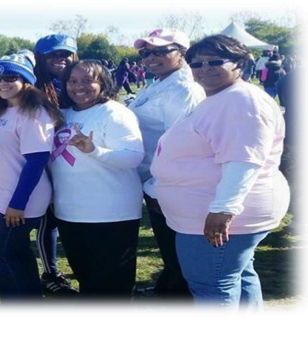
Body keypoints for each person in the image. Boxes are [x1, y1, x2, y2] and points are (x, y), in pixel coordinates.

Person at [151, 35, 290, 313]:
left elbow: (243, 160)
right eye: (197, 63)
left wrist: (223, 210)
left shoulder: (241, 100)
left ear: (239, 63)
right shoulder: (223, 97)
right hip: (213, 212)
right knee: (236, 275)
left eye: (215, 61)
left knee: (212, 286)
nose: (204, 68)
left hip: (216, 216)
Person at [52, 60, 145, 311]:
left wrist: (95, 151)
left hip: (110, 212)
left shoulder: (114, 112)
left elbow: (133, 156)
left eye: (87, 80)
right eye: (73, 81)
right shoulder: (65, 113)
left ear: (102, 83)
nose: (78, 86)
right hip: (70, 210)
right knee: (87, 276)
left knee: (112, 283)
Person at [129, 29, 206, 311]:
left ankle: (178, 301)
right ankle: (167, 289)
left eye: (161, 51)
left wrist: (157, 188)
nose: (151, 57)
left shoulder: (183, 89)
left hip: (167, 184)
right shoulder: (159, 83)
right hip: (153, 180)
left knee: (177, 250)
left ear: (182, 53)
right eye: (146, 52)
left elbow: (179, 145)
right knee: (168, 247)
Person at [0, 53, 63, 310]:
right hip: (0, 197)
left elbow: (36, 162)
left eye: (10, 77)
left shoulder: (34, 112)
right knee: (14, 254)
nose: (1, 83)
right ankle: (21, 302)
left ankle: (21, 304)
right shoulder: (2, 109)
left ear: (26, 80)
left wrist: (17, 204)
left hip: (19, 201)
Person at [31, 33, 80, 299]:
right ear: (41, 57)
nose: (60, 59)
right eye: (53, 54)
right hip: (46, 160)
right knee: (49, 220)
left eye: (65, 54)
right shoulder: (34, 86)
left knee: (71, 216)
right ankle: (50, 273)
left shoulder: (79, 81)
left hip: (78, 162)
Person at [276, 51, 308, 235]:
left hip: (294, 135)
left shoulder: (286, 79)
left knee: (296, 179)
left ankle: (299, 220)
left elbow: (284, 102)